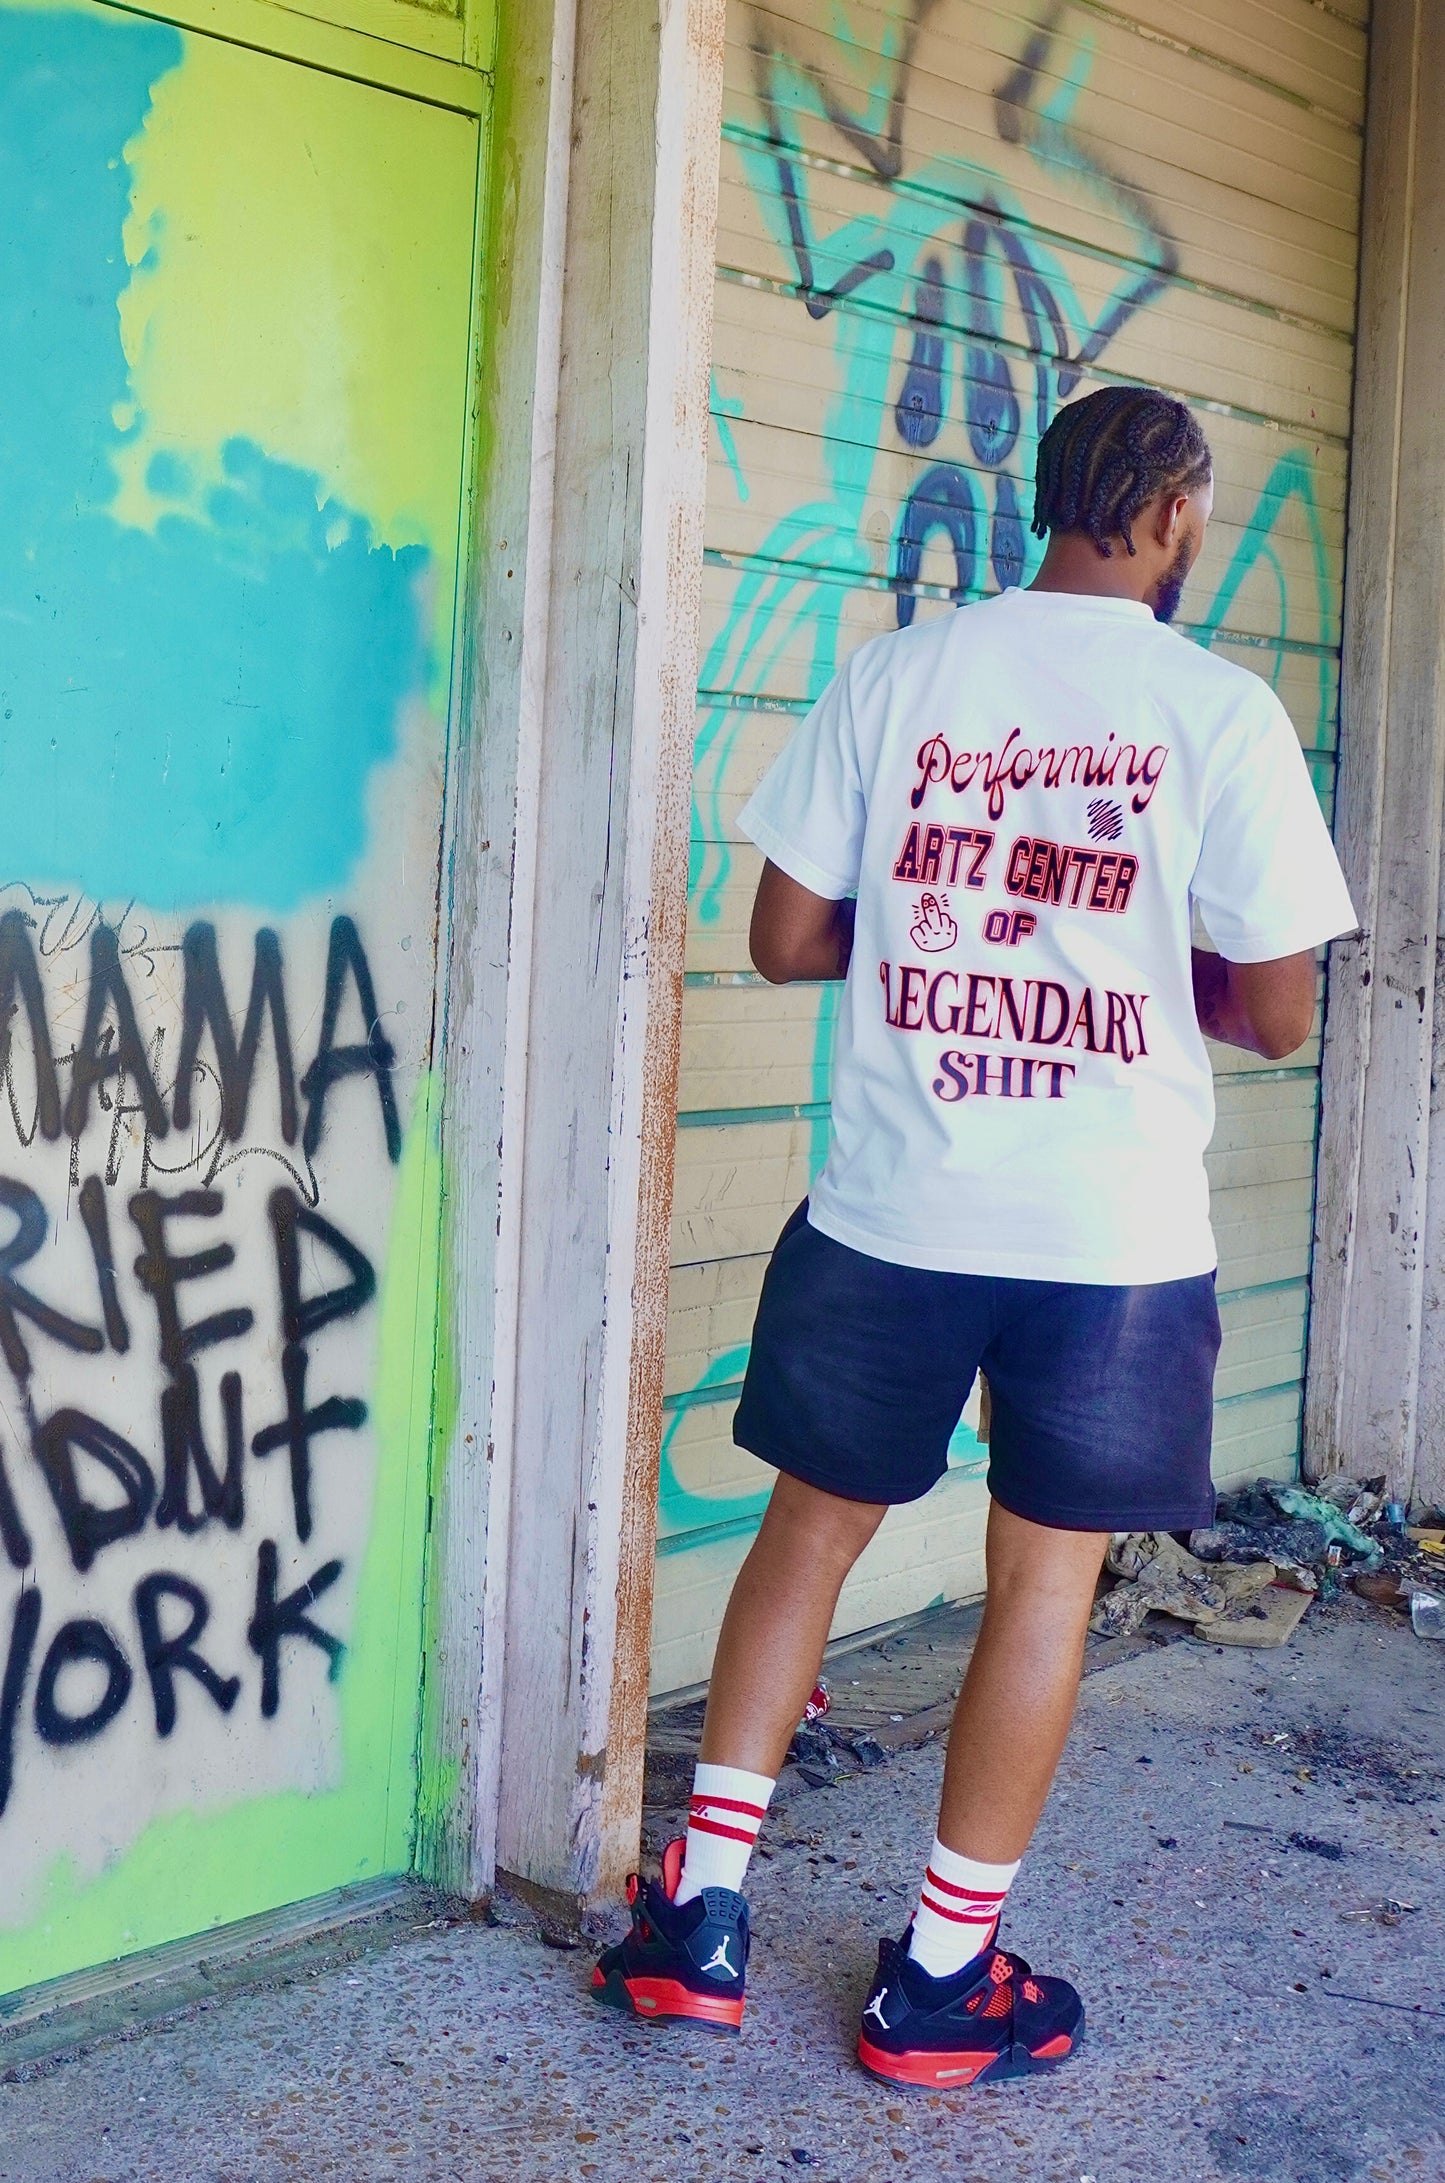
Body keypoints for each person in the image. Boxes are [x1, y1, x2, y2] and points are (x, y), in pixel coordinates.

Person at [592, 384, 1357, 2087]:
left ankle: (699, 1920)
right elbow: (1286, 1011)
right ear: (1170, 515)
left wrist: (956, 939)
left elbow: (789, 937)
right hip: (1109, 1234)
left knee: (808, 1534)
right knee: (1043, 1580)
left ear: (1046, 504)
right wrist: (1141, 972)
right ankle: (940, 1982)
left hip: (895, 1202)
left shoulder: (898, 673)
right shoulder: (1216, 712)